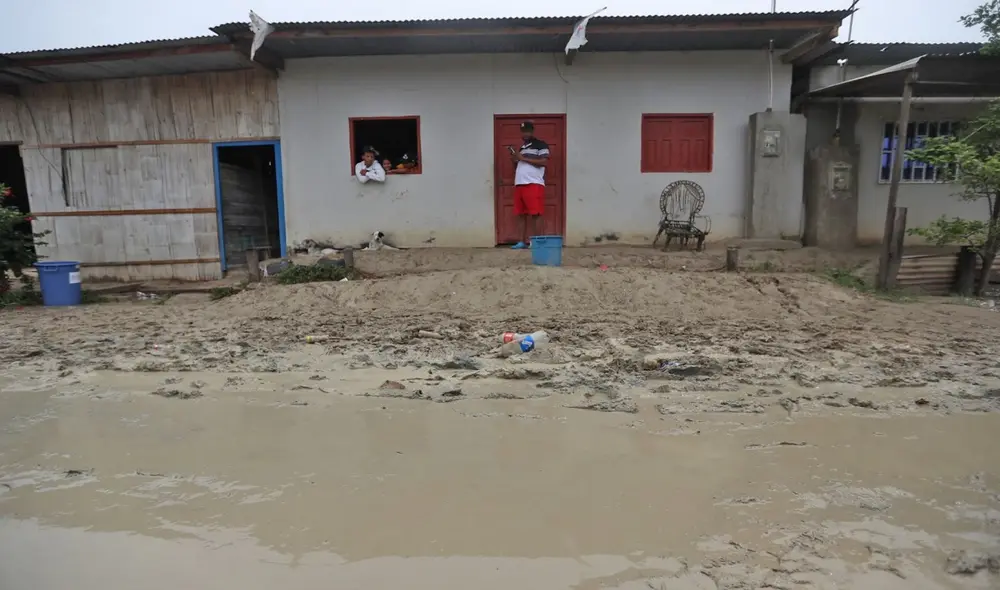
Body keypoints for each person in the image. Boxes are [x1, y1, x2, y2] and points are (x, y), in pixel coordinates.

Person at [510, 121, 549, 249]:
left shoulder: (540, 145)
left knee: (535, 214)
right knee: (521, 214)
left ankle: (536, 242)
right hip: (520, 183)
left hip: (533, 183)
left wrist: (523, 158)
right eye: (523, 131)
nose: (525, 134)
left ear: (532, 131)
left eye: (527, 131)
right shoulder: (522, 148)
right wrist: (515, 159)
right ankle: (522, 241)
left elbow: (544, 162)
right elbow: (519, 164)